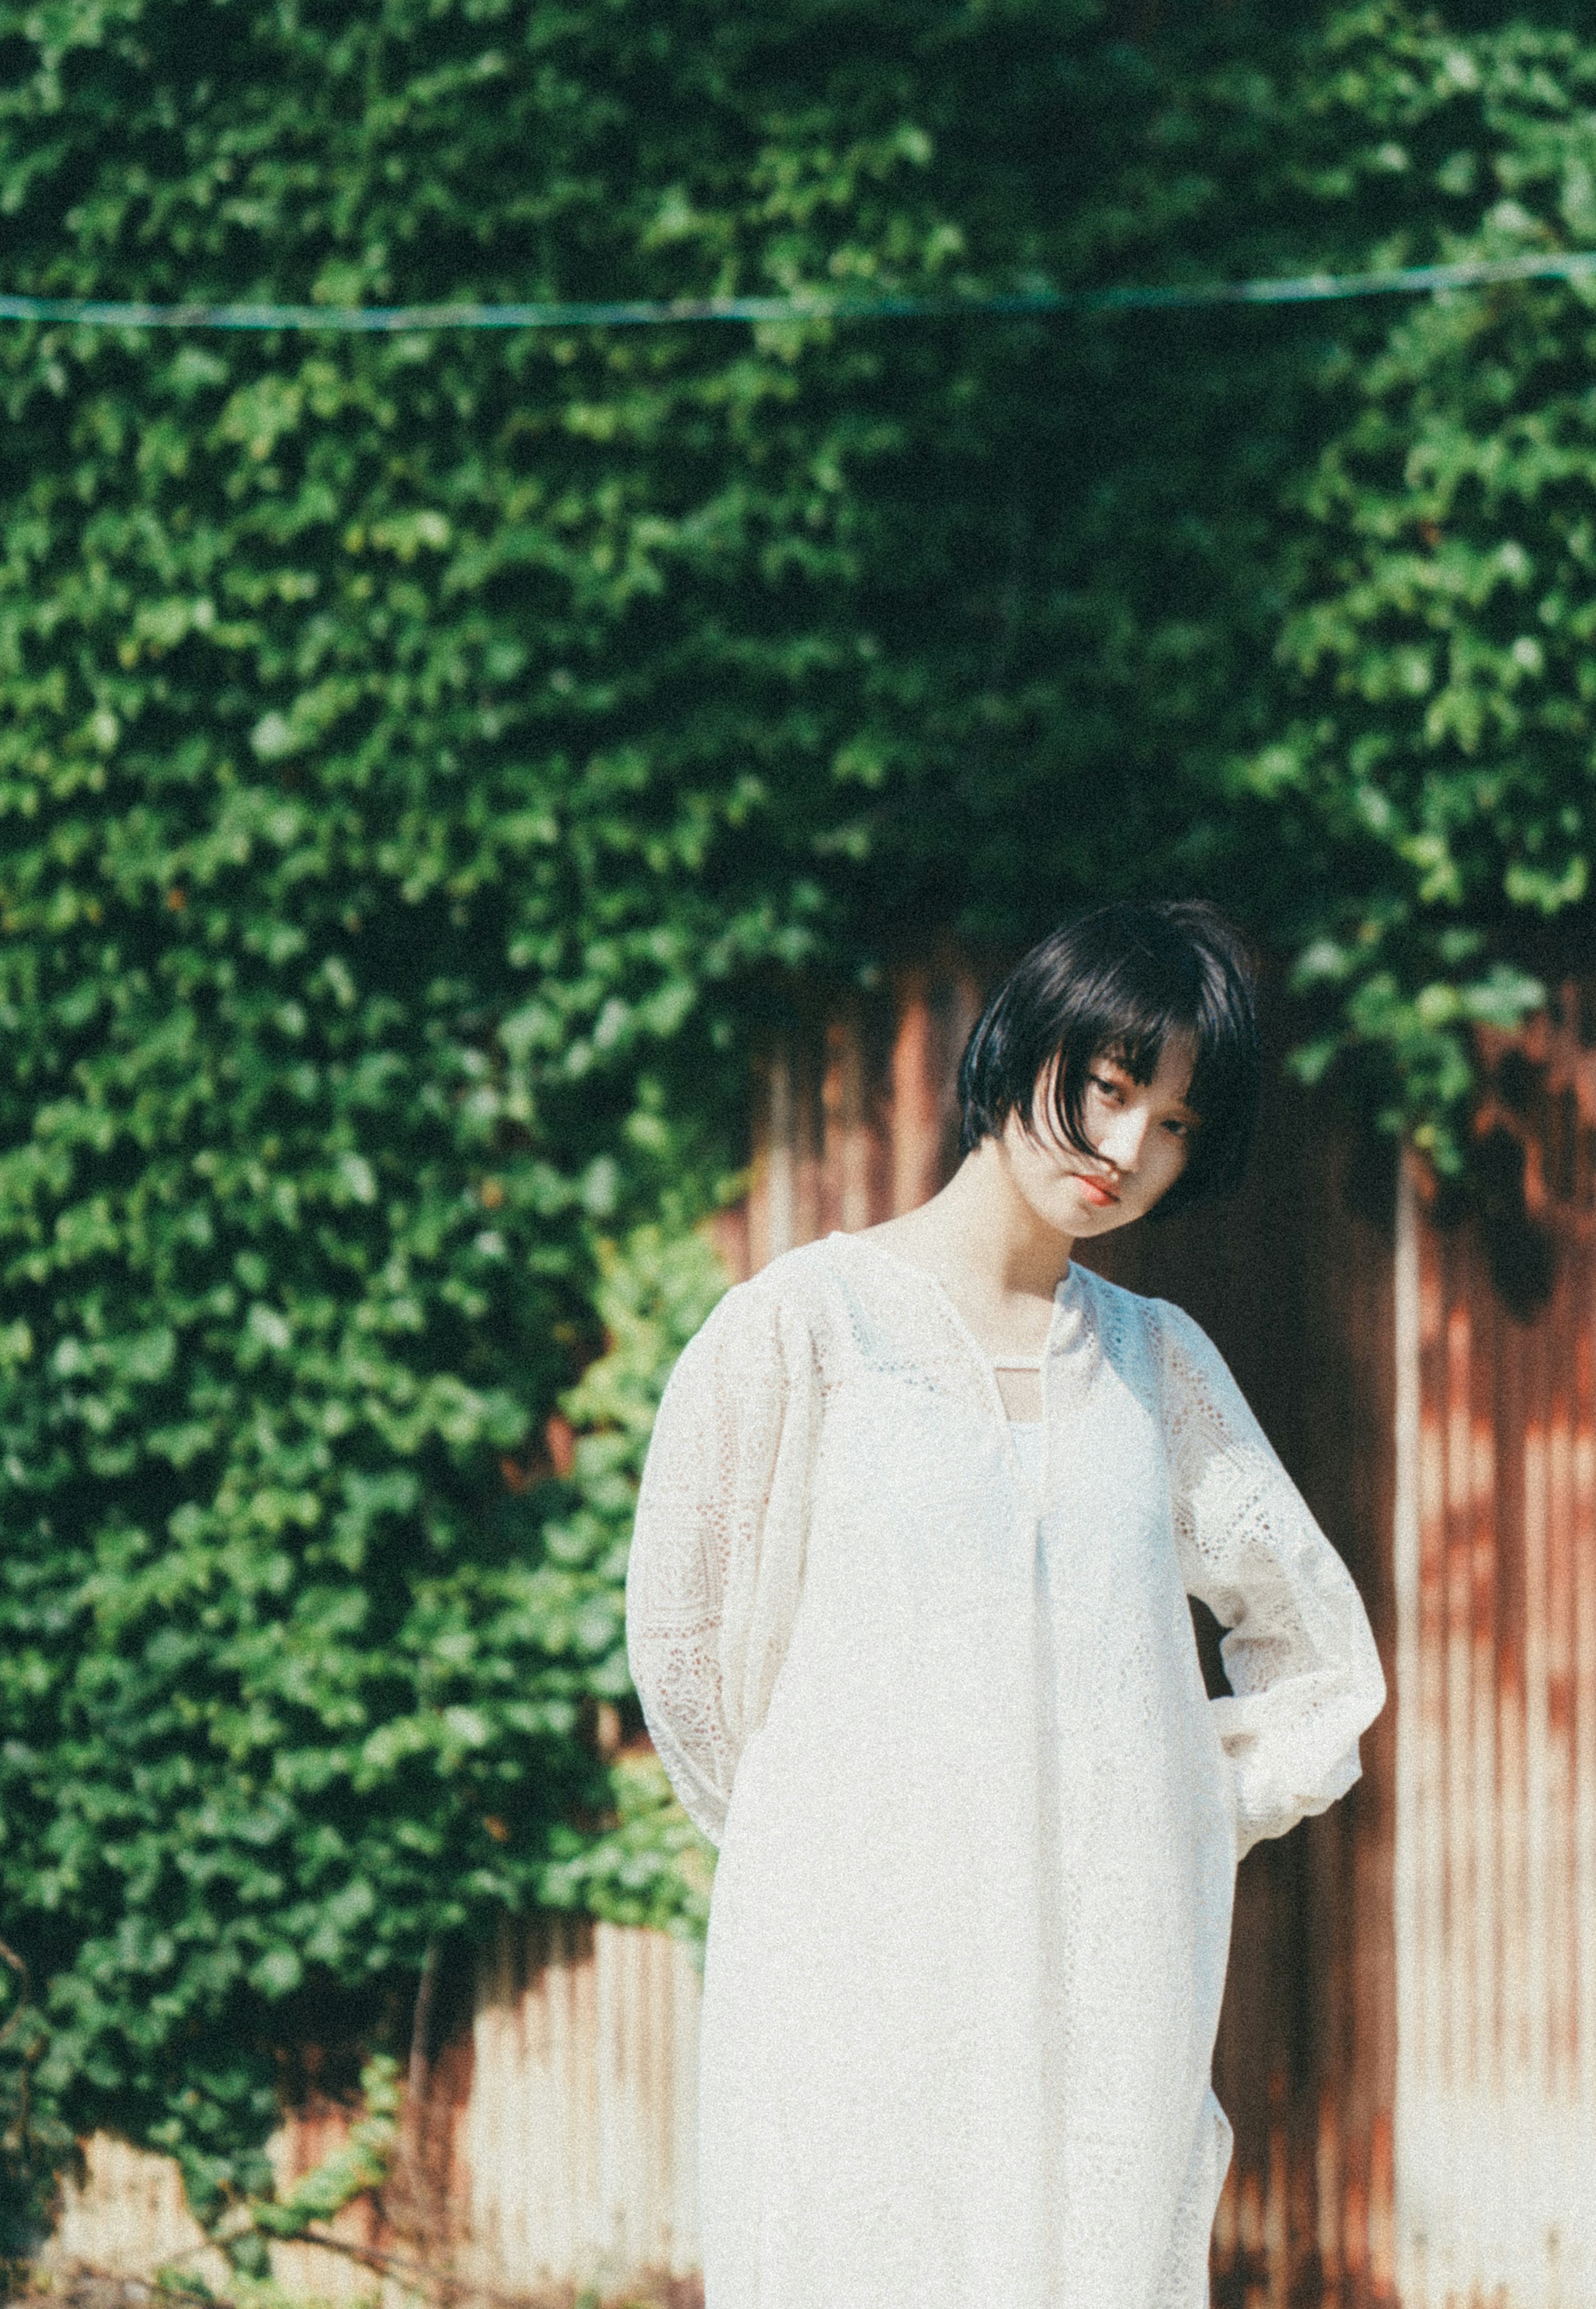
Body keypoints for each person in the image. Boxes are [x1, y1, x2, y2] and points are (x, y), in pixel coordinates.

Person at [625, 898, 1385, 2309]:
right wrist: (832, 1845)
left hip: (1099, 1991)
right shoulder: (802, 1330)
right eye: (1110, 1087)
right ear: (1023, 1044)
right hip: (852, 1959)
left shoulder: (1158, 1366)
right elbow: (688, 1650)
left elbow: (1320, 1657)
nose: (1127, 1151)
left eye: (1175, 1124)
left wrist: (1167, 1804)